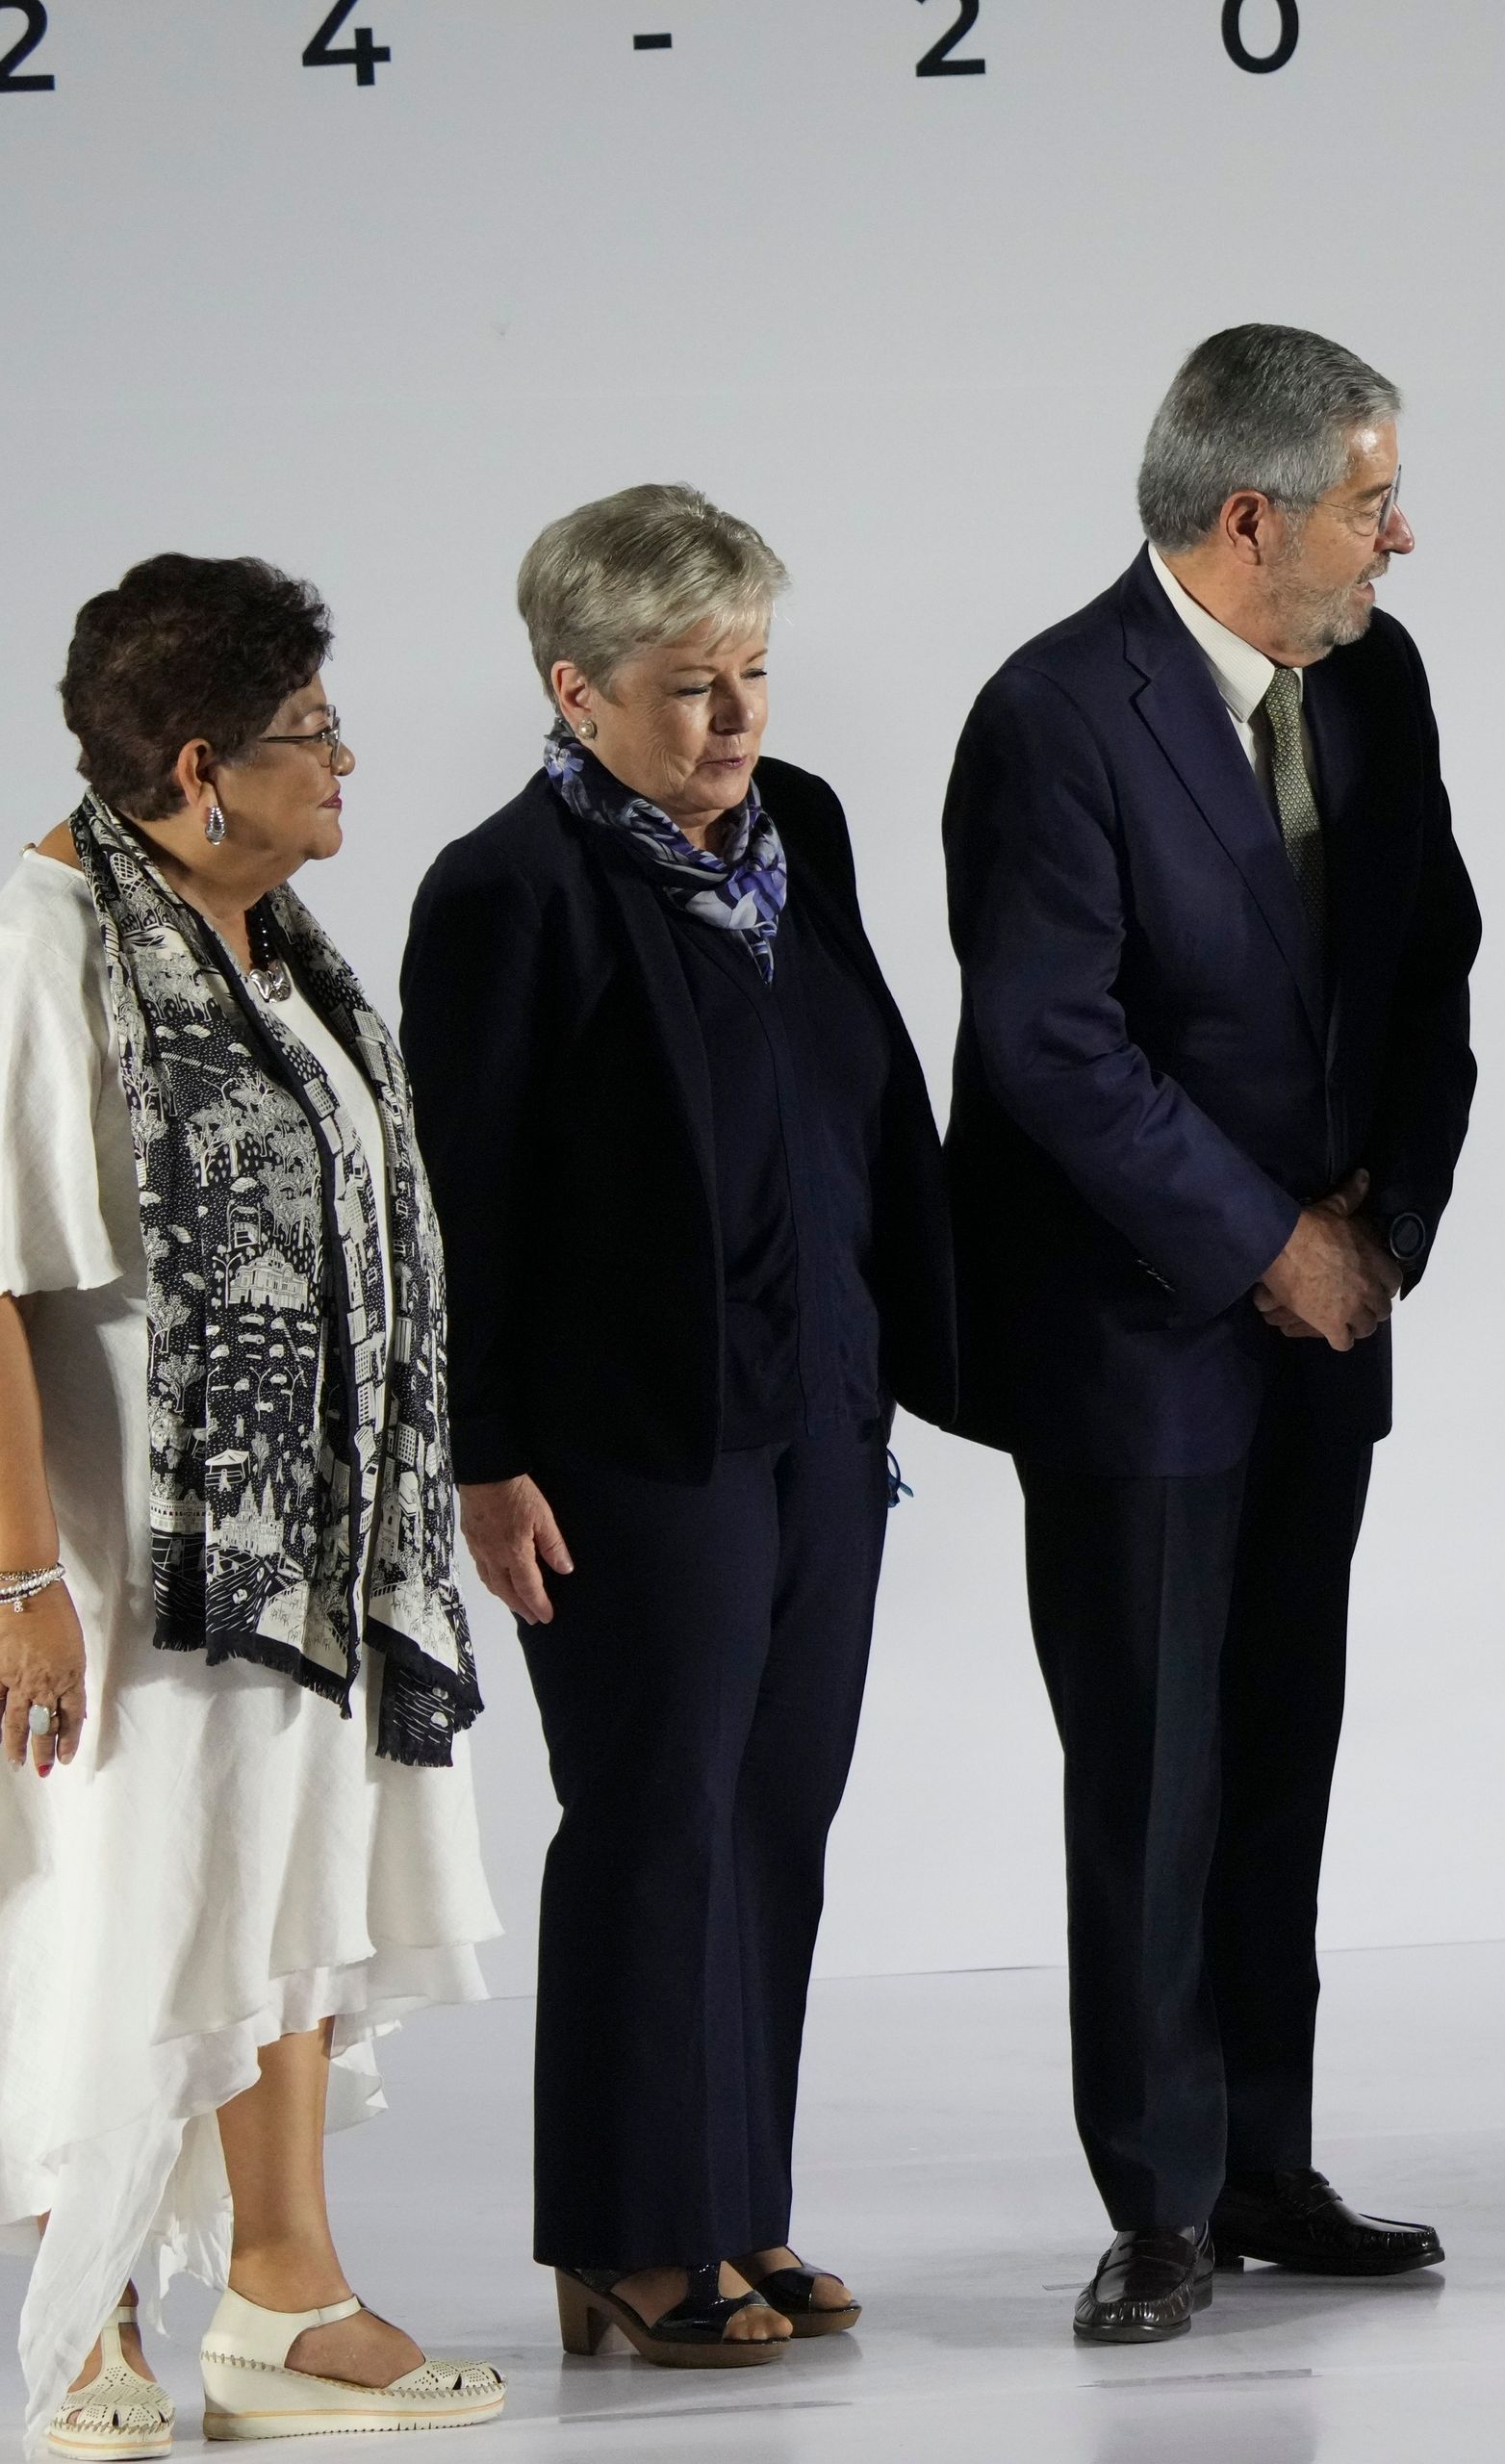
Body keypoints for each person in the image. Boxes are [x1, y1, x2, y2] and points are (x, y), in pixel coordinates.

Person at [943, 323, 1482, 2343]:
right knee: (1153, 1768)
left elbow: (1435, 962)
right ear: (1252, 517)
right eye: (1370, 503)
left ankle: (1267, 2156)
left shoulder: (1379, 680)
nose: (1397, 538)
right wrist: (1268, 1243)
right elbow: (1048, 1045)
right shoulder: (1055, 715)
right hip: (1139, 1334)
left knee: (1279, 1756)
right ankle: (1158, 2193)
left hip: (1326, 1318)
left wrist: (1386, 1225)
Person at [397, 486, 960, 2365]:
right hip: (630, 1442)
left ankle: (733, 2202)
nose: (735, 723)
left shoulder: (800, 833)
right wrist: (480, 1456)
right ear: (574, 690)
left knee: (777, 1817)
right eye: (687, 688)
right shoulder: (509, 891)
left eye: (753, 676)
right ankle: (628, 2234)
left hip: (817, 1411)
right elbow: (457, 1199)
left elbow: (863, 1090)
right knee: (655, 1818)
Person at [0, 555, 506, 2454]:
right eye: (311, 733)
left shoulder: (275, 948)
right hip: (124, 1559)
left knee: (279, 1898)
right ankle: (97, 2316)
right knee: (123, 1908)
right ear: (201, 769)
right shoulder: (45, 944)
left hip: (299, 1555)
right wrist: (19, 1574)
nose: (345, 760)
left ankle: (285, 2295)